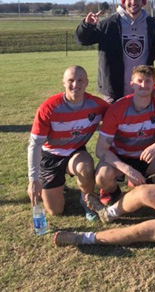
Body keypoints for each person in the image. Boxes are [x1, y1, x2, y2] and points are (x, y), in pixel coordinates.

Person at [94, 65, 155, 204]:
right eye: (139, 81)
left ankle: (147, 183)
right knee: (102, 177)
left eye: (148, 81)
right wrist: (128, 170)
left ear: (154, 84)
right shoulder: (117, 108)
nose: (144, 85)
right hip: (121, 157)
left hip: (147, 156)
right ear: (131, 84)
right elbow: (100, 149)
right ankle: (116, 194)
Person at [27, 66, 109, 221]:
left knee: (85, 167)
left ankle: (87, 199)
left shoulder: (97, 105)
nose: (75, 85)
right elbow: (35, 145)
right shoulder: (49, 107)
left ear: (86, 83)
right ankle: (57, 186)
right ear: (63, 83)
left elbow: (118, 116)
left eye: (80, 80)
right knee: (55, 211)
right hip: (50, 156)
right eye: (70, 80)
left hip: (75, 152)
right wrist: (33, 180)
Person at [76, 0, 155, 103]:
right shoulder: (109, 24)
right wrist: (87, 26)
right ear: (123, 0)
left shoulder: (152, 26)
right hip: (114, 92)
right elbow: (82, 40)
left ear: (143, 2)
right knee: (113, 122)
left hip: (143, 89)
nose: (133, 2)